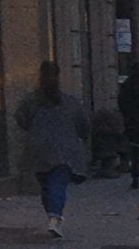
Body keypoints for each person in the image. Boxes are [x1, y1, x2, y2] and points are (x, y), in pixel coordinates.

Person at [15, 61, 90, 239]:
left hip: (39, 149)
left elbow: (21, 120)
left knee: (47, 185)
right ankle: (54, 217)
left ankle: (52, 214)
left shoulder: (30, 100)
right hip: (65, 149)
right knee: (57, 183)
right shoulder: (69, 101)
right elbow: (82, 125)